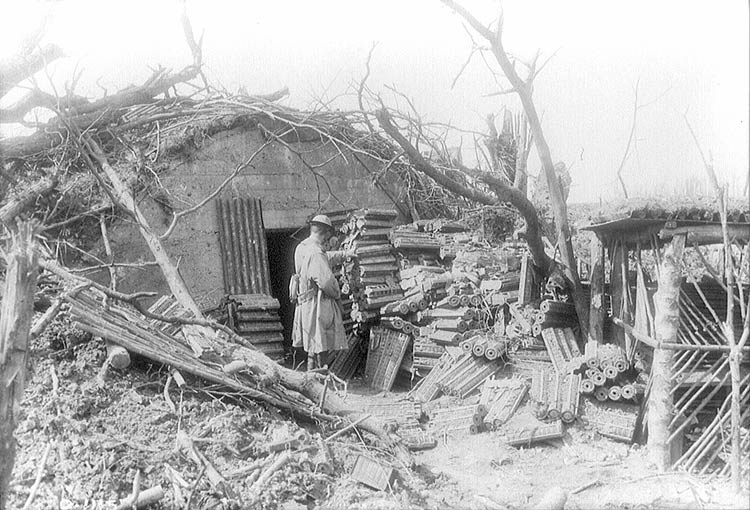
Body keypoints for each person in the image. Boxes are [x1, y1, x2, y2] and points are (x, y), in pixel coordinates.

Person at [291, 214, 352, 370]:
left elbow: (323, 258)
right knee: (321, 345)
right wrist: (337, 293)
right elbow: (325, 281)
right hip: (317, 304)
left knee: (312, 344)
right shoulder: (316, 252)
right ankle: (321, 377)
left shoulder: (302, 247)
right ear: (326, 232)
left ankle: (311, 376)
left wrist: (343, 255)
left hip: (305, 303)